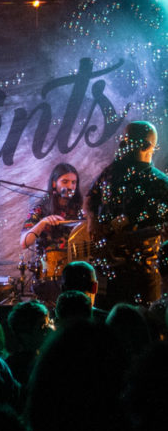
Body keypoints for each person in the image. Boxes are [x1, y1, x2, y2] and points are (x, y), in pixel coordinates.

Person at [86, 120, 168, 306]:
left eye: (128, 140)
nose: (122, 143)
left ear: (146, 145)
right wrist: (92, 221)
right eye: (123, 138)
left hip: (142, 275)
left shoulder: (161, 183)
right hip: (105, 273)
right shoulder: (112, 172)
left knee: (141, 327)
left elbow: (163, 228)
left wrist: (128, 237)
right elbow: (91, 197)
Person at [20, 163, 83, 288]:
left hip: (75, 273)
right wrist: (43, 222)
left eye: (73, 182)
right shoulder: (40, 209)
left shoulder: (78, 211)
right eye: (65, 182)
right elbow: (24, 242)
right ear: (54, 184)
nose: (70, 186)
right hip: (48, 275)